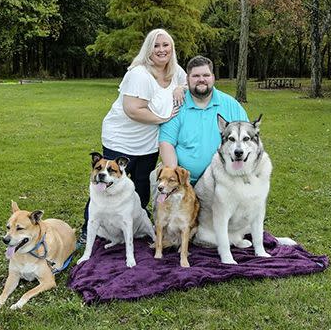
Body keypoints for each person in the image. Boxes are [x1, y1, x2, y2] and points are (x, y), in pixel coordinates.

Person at [80, 28, 186, 243]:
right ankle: (88, 229)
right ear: (148, 49)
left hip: (148, 142)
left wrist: (181, 88)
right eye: (156, 45)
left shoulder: (177, 72)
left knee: (140, 186)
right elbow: (133, 109)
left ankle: (133, 225)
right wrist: (163, 118)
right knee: (108, 183)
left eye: (166, 45)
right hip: (121, 138)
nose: (161, 50)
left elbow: (190, 83)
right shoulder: (139, 74)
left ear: (172, 48)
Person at [159, 55, 248, 185]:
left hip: (224, 181)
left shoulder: (231, 105)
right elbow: (166, 143)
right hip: (186, 181)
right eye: (195, 76)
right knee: (156, 181)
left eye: (206, 75)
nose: (201, 79)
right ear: (187, 79)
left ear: (213, 77)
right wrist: (177, 178)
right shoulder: (178, 105)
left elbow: (248, 139)